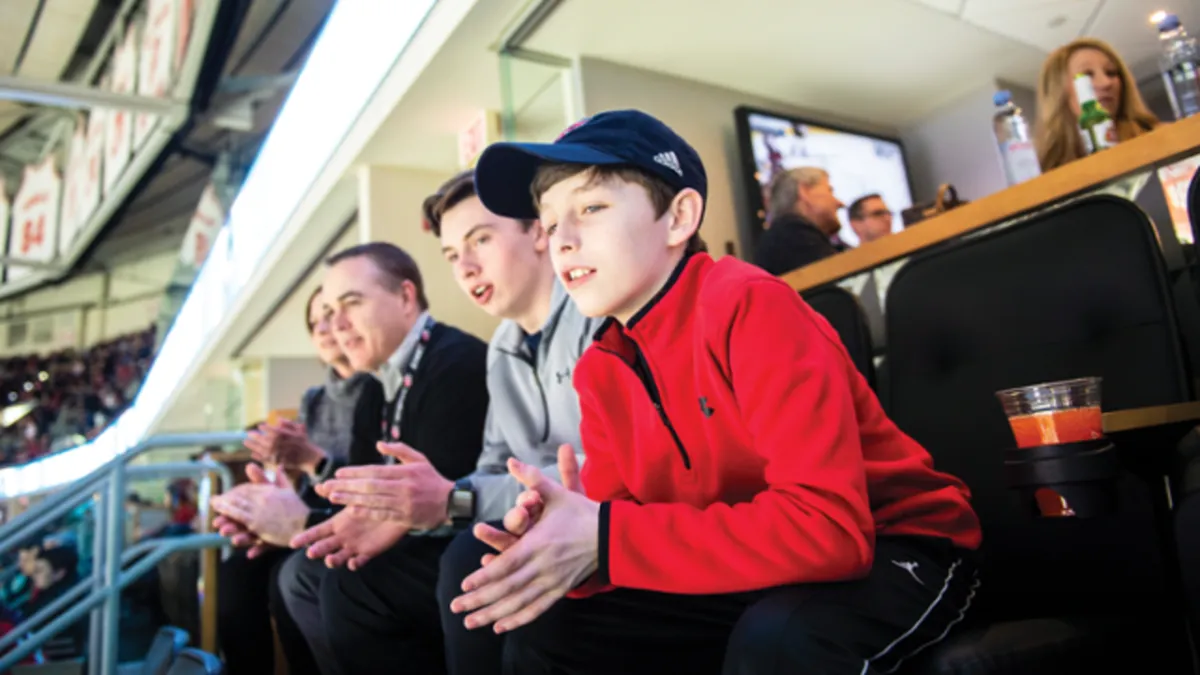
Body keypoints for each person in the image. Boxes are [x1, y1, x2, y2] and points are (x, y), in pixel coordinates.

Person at [454, 109, 982, 675]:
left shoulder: (750, 304)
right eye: (551, 222)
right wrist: (569, 545)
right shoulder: (599, 370)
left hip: (898, 544)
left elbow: (830, 531)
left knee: (779, 641)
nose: (563, 241)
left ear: (679, 216)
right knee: (548, 628)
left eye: (591, 208)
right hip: (758, 565)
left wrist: (607, 536)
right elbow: (633, 533)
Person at [291, 170, 598, 675]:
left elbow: (609, 472)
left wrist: (449, 501)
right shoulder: (501, 345)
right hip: (527, 527)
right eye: (453, 255)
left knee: (457, 564)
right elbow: (491, 467)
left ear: (539, 232)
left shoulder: (595, 315)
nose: (466, 266)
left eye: (480, 239)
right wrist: (435, 501)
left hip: (598, 531)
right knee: (341, 573)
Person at [212, 286, 379, 675]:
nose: (323, 328)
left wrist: (308, 460)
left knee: (286, 576)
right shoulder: (313, 399)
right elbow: (302, 475)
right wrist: (271, 487)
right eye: (314, 321)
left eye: (332, 315)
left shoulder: (378, 387)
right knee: (236, 572)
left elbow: (365, 476)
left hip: (344, 518)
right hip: (309, 512)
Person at [1035, 37, 1159, 171]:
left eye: (1111, 73)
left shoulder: (1159, 136)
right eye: (1087, 75)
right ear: (1058, 92)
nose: (1106, 83)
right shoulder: (1042, 170)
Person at [753, 166, 848, 276]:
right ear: (804, 192)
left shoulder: (781, 237)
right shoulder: (790, 237)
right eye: (829, 191)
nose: (840, 203)